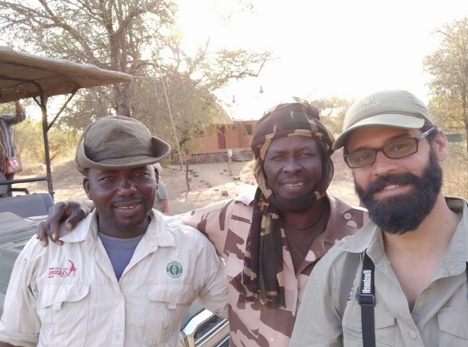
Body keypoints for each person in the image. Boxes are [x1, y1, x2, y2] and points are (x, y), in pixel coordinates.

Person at [36, 99, 368, 346]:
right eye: (278, 156)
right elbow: (145, 222)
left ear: (326, 161)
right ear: (262, 166)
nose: (291, 167)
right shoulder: (231, 218)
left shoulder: (367, 232)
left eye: (306, 154)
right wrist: (86, 206)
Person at [0, 116, 227, 347]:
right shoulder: (45, 248)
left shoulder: (191, 248)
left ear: (156, 179)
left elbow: (246, 312)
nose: (126, 189)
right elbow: (14, 340)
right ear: (88, 188)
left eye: (139, 174)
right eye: (108, 178)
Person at [290, 89, 468, 347]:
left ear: (438, 145)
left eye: (400, 146)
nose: (382, 168)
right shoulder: (337, 273)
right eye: (363, 156)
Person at [0, 100, 26, 197]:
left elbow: (20, 116)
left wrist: (17, 102)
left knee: (7, 189)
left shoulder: (3, 119)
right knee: (3, 192)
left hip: (8, 162)